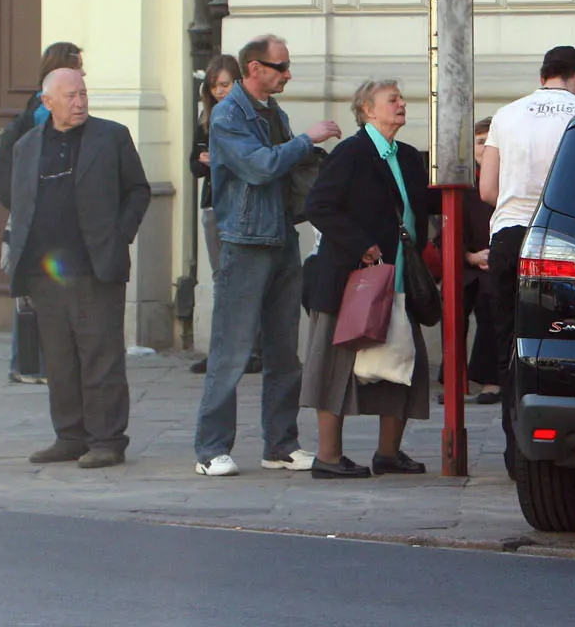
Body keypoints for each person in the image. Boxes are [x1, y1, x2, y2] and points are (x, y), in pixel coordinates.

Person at [194, 34, 341, 477]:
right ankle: (210, 449)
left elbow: (285, 168)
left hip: (279, 235)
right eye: (280, 67)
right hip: (243, 241)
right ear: (254, 68)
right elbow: (259, 166)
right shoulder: (227, 115)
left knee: (283, 350)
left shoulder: (272, 111)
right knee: (232, 349)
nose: (287, 74)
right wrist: (305, 140)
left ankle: (280, 445)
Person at [5, 68, 151, 469]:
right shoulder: (28, 145)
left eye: (83, 94)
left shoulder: (111, 136)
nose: (80, 101)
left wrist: (119, 235)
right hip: (45, 270)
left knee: (100, 355)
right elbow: (18, 199)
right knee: (59, 359)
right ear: (47, 101)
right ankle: (69, 436)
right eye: (70, 95)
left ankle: (107, 439)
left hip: (95, 266)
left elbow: (138, 190)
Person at [300, 80, 438, 478]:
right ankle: (327, 457)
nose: (401, 104)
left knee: (401, 362)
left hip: (399, 279)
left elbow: (427, 203)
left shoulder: (409, 157)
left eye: (401, 97)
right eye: (392, 99)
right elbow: (319, 206)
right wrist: (362, 245)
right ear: (367, 109)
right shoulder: (351, 153)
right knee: (337, 367)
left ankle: (389, 454)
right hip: (351, 282)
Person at [479, 46, 575, 475]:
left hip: (508, 237)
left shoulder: (506, 115)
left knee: (512, 349)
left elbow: (488, 190)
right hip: (561, 239)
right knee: (563, 343)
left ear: (543, 74)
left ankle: (515, 455)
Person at [0, 41, 83, 384]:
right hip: (42, 207)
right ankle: (37, 363)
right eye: (78, 65)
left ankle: (25, 362)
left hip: (34, 205)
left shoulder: (37, 103)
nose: (84, 72)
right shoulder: (46, 110)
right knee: (41, 286)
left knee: (31, 284)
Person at [186, 53, 246, 377]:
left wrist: (220, 158)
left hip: (240, 206)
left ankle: (247, 349)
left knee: (244, 279)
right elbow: (194, 165)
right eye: (214, 86)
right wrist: (206, 160)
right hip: (213, 204)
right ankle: (221, 350)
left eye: (225, 84)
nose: (220, 91)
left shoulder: (247, 116)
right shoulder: (206, 119)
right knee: (221, 279)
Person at [436, 117, 500, 405]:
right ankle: (453, 381)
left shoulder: (506, 177)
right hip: (463, 260)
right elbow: (445, 228)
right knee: (453, 312)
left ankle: (491, 381)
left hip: (496, 260)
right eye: (479, 141)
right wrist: (468, 256)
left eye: (490, 141)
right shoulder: (461, 179)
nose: (485, 147)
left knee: (492, 311)